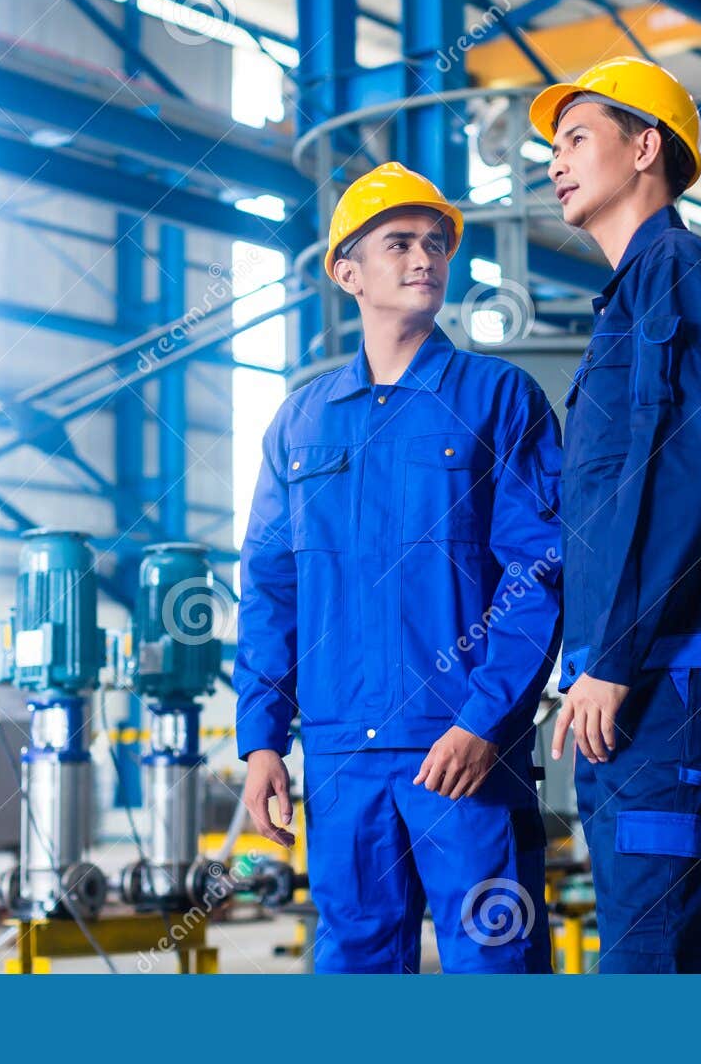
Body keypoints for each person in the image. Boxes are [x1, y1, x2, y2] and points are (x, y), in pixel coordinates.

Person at [232, 162, 563, 973]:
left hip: (460, 749)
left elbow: (539, 572)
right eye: (400, 242)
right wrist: (261, 740)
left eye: (437, 244)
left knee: (497, 964)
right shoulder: (301, 423)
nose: (425, 258)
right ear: (348, 273)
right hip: (342, 756)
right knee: (355, 965)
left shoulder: (497, 398)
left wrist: (485, 722)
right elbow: (271, 590)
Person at [531, 58, 701, 972]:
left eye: (577, 138)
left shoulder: (680, 271)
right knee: (666, 949)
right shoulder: (639, 291)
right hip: (650, 675)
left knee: (654, 958)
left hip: (670, 676)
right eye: (553, 147)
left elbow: (690, 469)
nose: (555, 162)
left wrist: (612, 655)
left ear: (645, 147)